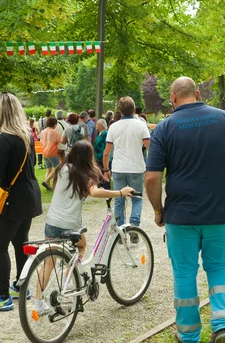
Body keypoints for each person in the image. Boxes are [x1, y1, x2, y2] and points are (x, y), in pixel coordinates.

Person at [145, 76, 225, 343]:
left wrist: (158, 211)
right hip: (222, 209)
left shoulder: (165, 127)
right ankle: (224, 323)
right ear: (199, 92)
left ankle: (189, 336)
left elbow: (152, 177)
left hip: (182, 213)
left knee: (184, 272)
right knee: (219, 266)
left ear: (172, 97)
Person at [33, 141, 134, 314]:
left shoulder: (62, 169)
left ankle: (37, 303)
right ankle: (69, 279)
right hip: (70, 224)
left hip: (52, 222)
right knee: (81, 246)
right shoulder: (85, 173)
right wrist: (120, 192)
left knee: (49, 261)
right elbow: (95, 192)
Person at [0, 92, 42, 313]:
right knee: (21, 242)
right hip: (29, 195)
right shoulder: (26, 135)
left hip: (13, 198)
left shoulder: (5, 138)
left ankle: (2, 295)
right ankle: (21, 286)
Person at [102, 97, 150, 231]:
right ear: (134, 109)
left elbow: (107, 152)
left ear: (119, 110)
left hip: (118, 168)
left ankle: (121, 229)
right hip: (136, 167)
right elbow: (149, 147)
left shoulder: (113, 127)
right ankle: (134, 227)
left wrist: (106, 169)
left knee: (119, 199)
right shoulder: (141, 125)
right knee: (137, 198)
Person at [40, 117, 62, 191]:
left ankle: (48, 186)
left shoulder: (43, 131)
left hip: (44, 151)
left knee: (48, 169)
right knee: (57, 168)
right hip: (52, 152)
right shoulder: (55, 132)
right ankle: (47, 182)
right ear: (55, 124)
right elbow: (60, 141)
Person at [93, 119, 111, 189]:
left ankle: (106, 187)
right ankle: (101, 186)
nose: (96, 126)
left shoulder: (105, 133)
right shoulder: (99, 134)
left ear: (101, 125)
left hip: (103, 157)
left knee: (104, 172)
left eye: (97, 124)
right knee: (99, 172)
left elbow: (107, 145)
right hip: (98, 157)